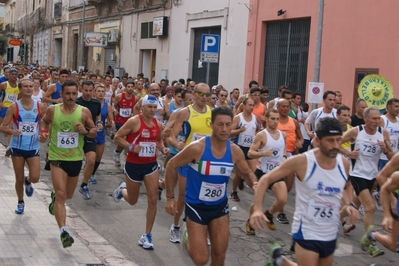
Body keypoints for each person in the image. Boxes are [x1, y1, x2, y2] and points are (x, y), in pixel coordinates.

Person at [250, 117, 359, 266]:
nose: (335, 145)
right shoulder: (302, 161)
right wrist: (257, 209)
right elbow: (265, 179)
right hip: (306, 230)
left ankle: (279, 261)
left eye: (338, 140)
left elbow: (347, 186)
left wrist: (349, 204)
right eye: (330, 140)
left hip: (330, 231)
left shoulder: (344, 164)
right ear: (318, 141)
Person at [165, 107, 258, 266]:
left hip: (219, 207)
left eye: (228, 125)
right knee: (201, 259)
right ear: (211, 124)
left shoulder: (234, 151)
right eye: (220, 124)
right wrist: (170, 198)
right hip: (196, 206)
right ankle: (188, 235)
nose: (224, 129)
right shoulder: (197, 148)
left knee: (219, 255)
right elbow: (171, 165)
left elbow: (247, 172)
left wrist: (255, 184)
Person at [39, 79, 97, 248]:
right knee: (62, 194)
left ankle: (55, 200)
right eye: (67, 93)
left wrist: (85, 131)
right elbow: (44, 121)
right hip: (57, 157)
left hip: (75, 159)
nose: (71, 97)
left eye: (73, 93)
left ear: (76, 94)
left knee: (68, 196)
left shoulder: (84, 112)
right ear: (62, 94)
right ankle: (63, 231)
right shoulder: (53, 110)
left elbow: (93, 132)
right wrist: (44, 133)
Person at [112, 94, 169, 250]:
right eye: (149, 107)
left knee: (152, 199)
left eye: (154, 107)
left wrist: (162, 148)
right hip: (133, 165)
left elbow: (158, 140)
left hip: (150, 165)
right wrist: (131, 147)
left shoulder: (158, 123)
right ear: (142, 107)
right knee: (132, 200)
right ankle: (121, 190)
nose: (152, 110)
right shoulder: (134, 121)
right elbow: (117, 137)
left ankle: (147, 235)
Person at [340, 106, 393, 257]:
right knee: (369, 207)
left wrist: (385, 150)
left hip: (373, 177)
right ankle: (370, 243)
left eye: (379, 118)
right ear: (366, 118)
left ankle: (336, 218)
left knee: (354, 205)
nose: (378, 121)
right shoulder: (356, 131)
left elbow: (392, 158)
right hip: (357, 174)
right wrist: (348, 153)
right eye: (374, 118)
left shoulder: (383, 133)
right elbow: (336, 144)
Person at [166, 83, 213, 244]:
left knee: (205, 197)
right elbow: (171, 136)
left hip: (205, 162)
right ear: (194, 94)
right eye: (201, 93)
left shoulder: (213, 113)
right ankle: (176, 226)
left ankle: (201, 229)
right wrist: (177, 144)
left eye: (207, 94)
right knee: (183, 195)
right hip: (187, 160)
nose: (204, 97)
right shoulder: (185, 113)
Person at [0, 78, 46, 214]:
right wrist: (11, 131)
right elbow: (2, 126)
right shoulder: (14, 106)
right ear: (20, 89)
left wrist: (43, 133)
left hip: (33, 147)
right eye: (25, 86)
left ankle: (28, 180)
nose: (28, 88)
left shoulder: (40, 106)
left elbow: (44, 123)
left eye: (31, 86)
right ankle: (20, 202)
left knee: (36, 177)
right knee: (18, 177)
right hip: (17, 147)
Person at [246, 109, 287, 235]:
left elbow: (283, 151)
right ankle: (250, 221)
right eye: (272, 119)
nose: (275, 122)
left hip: (277, 173)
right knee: (258, 202)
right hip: (263, 173)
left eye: (277, 119)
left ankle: (268, 214)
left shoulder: (283, 135)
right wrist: (263, 153)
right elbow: (250, 153)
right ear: (266, 119)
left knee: (283, 200)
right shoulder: (261, 135)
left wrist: (284, 158)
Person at [75, 80, 102, 199]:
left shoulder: (96, 103)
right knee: (74, 162)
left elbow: (98, 115)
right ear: (81, 90)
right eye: (85, 90)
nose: (88, 93)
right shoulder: (76, 102)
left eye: (90, 91)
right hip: (75, 134)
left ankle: (84, 185)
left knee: (91, 160)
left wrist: (100, 123)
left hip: (89, 133)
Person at [230, 97, 260, 201]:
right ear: (243, 106)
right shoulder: (238, 118)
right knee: (238, 174)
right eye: (249, 105)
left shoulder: (255, 118)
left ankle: (257, 195)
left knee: (252, 172)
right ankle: (234, 191)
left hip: (250, 149)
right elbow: (229, 132)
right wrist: (239, 130)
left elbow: (258, 131)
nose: (251, 107)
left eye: (253, 105)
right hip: (239, 148)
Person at [91, 84, 114, 183]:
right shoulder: (91, 103)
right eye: (98, 91)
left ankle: (92, 172)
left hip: (101, 133)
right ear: (94, 93)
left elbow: (110, 119)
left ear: (105, 94)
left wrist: (110, 123)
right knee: (91, 156)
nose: (100, 93)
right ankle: (90, 173)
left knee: (98, 156)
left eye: (102, 91)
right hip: (90, 132)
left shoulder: (107, 106)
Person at [113, 80, 139, 166]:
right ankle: (126, 159)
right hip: (119, 121)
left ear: (134, 88)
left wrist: (133, 114)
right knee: (123, 138)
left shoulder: (135, 98)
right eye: (128, 87)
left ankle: (117, 153)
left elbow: (136, 109)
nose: (130, 89)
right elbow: (114, 107)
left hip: (129, 122)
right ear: (125, 88)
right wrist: (115, 111)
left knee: (127, 140)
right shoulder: (120, 96)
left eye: (132, 87)